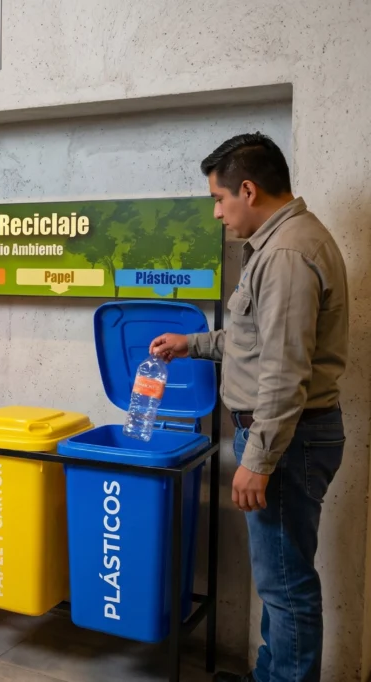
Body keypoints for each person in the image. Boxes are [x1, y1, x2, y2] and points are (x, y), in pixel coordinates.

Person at [149, 133, 347, 682]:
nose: (217, 213)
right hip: (285, 435)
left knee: (285, 588)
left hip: (285, 439)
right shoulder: (283, 244)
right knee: (278, 580)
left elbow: (285, 373)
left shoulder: (285, 254)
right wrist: (191, 343)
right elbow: (254, 340)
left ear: (249, 189)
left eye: (219, 199)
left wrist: (257, 459)